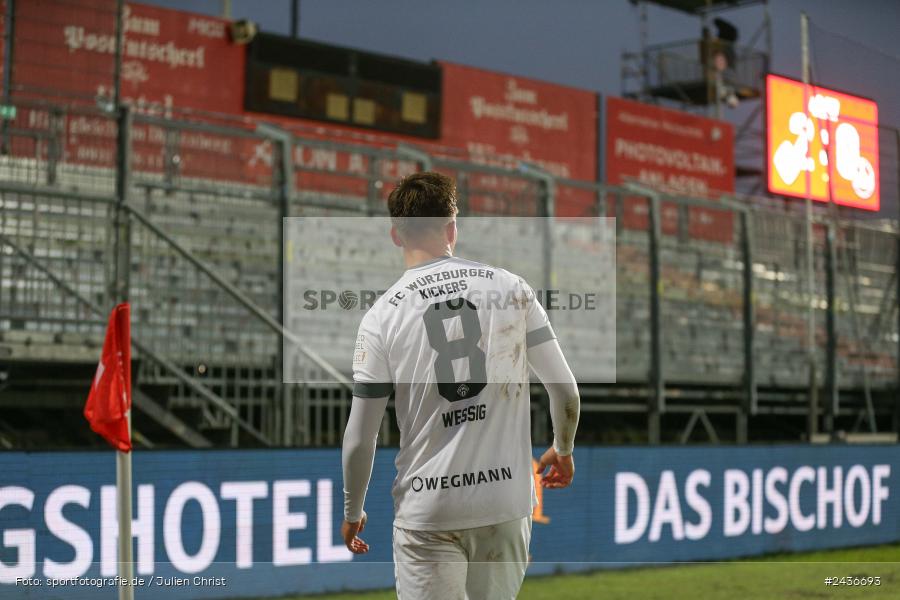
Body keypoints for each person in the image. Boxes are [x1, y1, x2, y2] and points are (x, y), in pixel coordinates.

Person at [340, 171, 580, 599]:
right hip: (505, 501)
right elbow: (565, 390)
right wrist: (562, 450)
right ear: (453, 227)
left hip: (429, 507)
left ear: (396, 235)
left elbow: (361, 437)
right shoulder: (511, 288)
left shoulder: (381, 316)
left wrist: (353, 510)